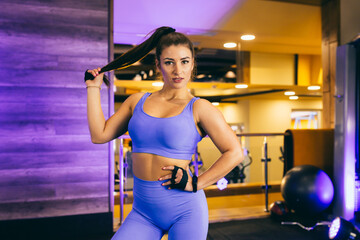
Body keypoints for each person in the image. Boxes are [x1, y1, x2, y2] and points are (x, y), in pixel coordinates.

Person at [85, 26, 244, 240]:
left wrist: (196, 183)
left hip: (186, 211)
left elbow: (234, 152)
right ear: (158, 65)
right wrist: (93, 88)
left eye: (184, 61)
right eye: (169, 62)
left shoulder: (200, 108)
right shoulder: (137, 101)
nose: (178, 70)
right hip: (143, 213)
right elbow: (99, 135)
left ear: (192, 64)